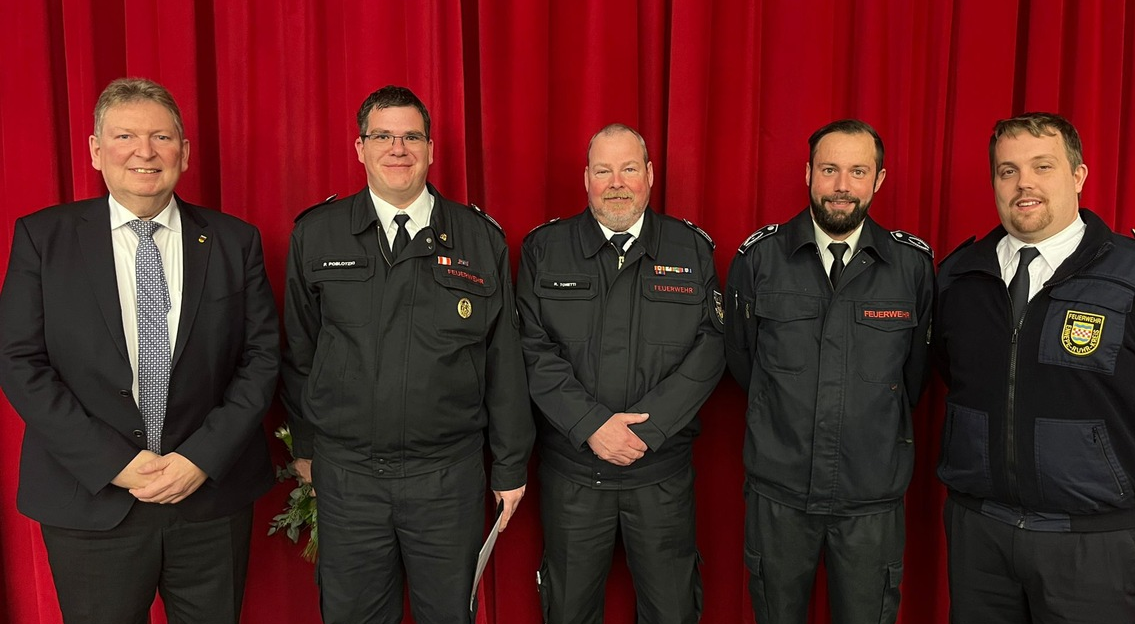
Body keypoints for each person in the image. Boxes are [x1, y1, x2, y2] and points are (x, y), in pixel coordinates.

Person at [0, 78, 280, 623]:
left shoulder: (234, 241)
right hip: (91, 500)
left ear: (185, 151)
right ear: (95, 150)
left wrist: (200, 457)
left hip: (207, 502)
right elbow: (20, 362)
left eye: (162, 137)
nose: (144, 152)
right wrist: (116, 464)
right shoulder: (42, 238)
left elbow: (262, 358)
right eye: (125, 135)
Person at [280, 85, 535, 624]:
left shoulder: (479, 238)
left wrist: (510, 465)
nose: (398, 149)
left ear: (431, 148)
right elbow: (299, 350)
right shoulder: (317, 234)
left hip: (446, 479)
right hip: (349, 479)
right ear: (360, 148)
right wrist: (306, 447)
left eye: (411, 136)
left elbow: (503, 363)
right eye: (383, 136)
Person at [933, 112, 1135, 624]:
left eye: (1042, 166)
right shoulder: (959, 277)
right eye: (1007, 170)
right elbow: (954, 373)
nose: (1023, 183)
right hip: (979, 535)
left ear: (1078, 176)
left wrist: (1116, 458)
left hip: (1090, 542)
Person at [724, 119, 934, 624]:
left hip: (871, 498)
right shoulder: (760, 259)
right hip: (780, 494)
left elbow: (914, 378)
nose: (842, 186)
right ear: (808, 174)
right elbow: (743, 364)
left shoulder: (912, 265)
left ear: (879, 180)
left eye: (858, 171)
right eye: (829, 169)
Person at [517, 123, 724, 624]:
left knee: (672, 610)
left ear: (650, 175)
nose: (617, 182)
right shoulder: (544, 249)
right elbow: (529, 349)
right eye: (603, 170)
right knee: (567, 611)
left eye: (629, 168)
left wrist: (645, 432)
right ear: (586, 178)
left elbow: (712, 348)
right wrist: (591, 425)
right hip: (573, 477)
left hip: (659, 476)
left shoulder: (690, 249)